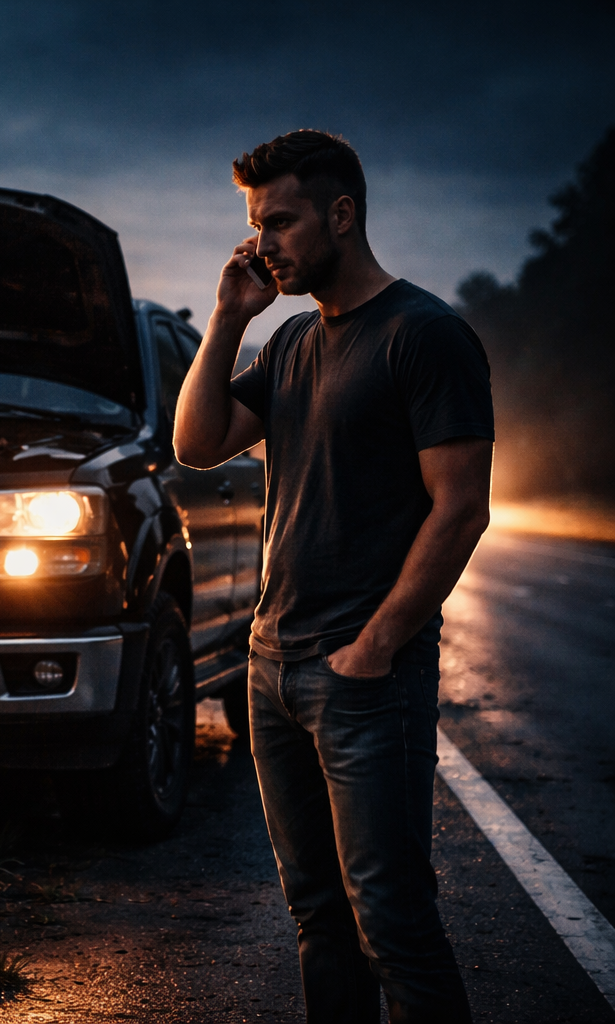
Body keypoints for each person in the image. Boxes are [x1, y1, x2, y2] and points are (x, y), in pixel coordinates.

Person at [174, 129, 493, 1023]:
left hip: (364, 678)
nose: (262, 242)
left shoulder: (426, 335)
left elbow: (463, 507)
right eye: (254, 222)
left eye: (280, 220)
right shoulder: (288, 345)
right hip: (272, 669)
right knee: (317, 919)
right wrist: (230, 315)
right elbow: (195, 446)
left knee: (392, 920)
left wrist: (376, 646)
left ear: (342, 215)